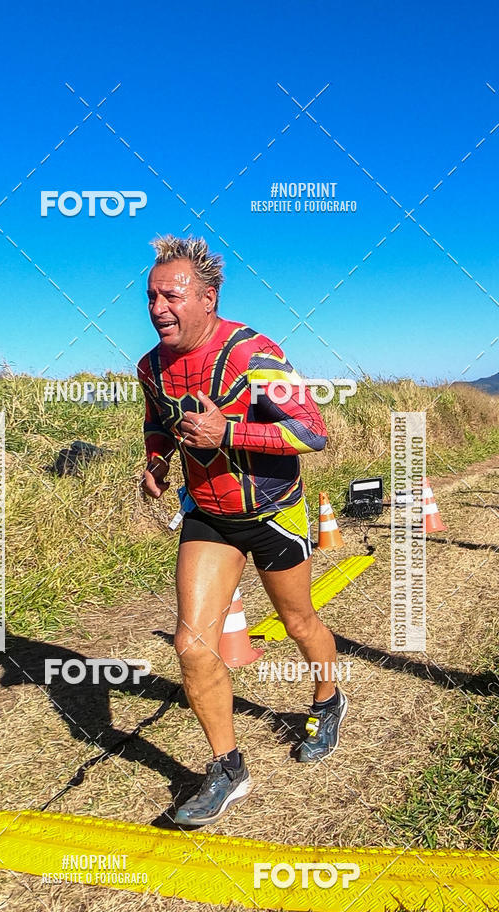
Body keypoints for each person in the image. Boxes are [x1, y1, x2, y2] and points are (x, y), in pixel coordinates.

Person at [138, 235, 346, 828]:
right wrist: (155, 462)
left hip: (274, 512)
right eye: (150, 296)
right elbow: (158, 421)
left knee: (299, 620)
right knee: (190, 645)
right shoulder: (150, 366)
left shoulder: (254, 353)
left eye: (171, 296)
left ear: (207, 298)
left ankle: (329, 699)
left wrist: (228, 434)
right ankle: (228, 768)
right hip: (208, 514)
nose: (158, 308)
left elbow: (313, 433)